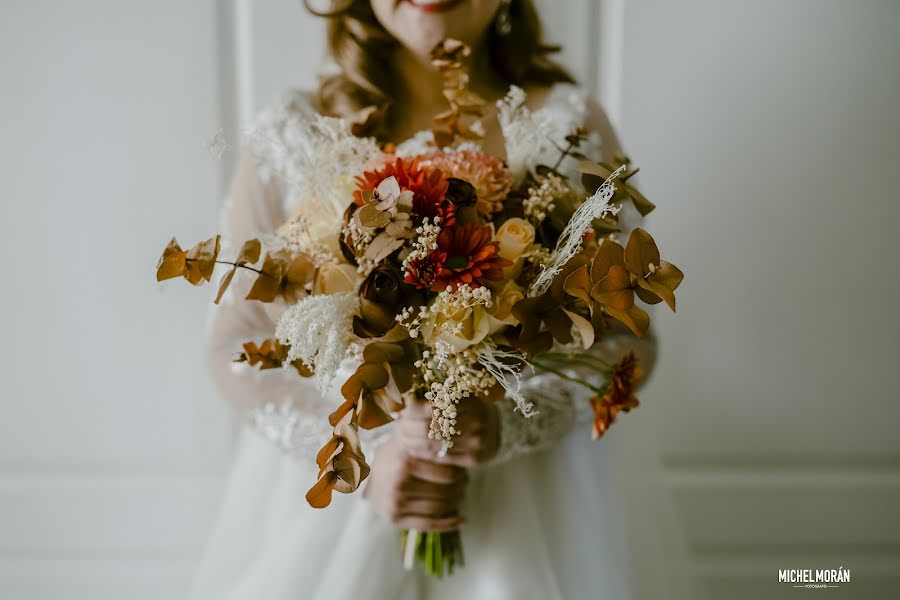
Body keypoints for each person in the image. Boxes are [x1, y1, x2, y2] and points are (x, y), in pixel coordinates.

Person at [189, 1, 688, 598]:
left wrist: (506, 425)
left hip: (531, 512)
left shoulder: (568, 127)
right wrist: (366, 458)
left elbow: (628, 338)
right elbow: (234, 345)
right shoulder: (292, 131)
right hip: (336, 513)